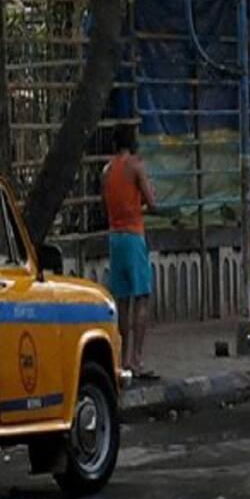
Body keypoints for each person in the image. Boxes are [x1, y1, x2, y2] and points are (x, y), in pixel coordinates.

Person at [103, 123, 158, 379]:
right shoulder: (136, 166)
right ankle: (136, 359)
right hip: (134, 236)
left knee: (122, 301)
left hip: (115, 238)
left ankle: (122, 359)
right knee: (142, 297)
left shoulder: (107, 170)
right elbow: (152, 202)